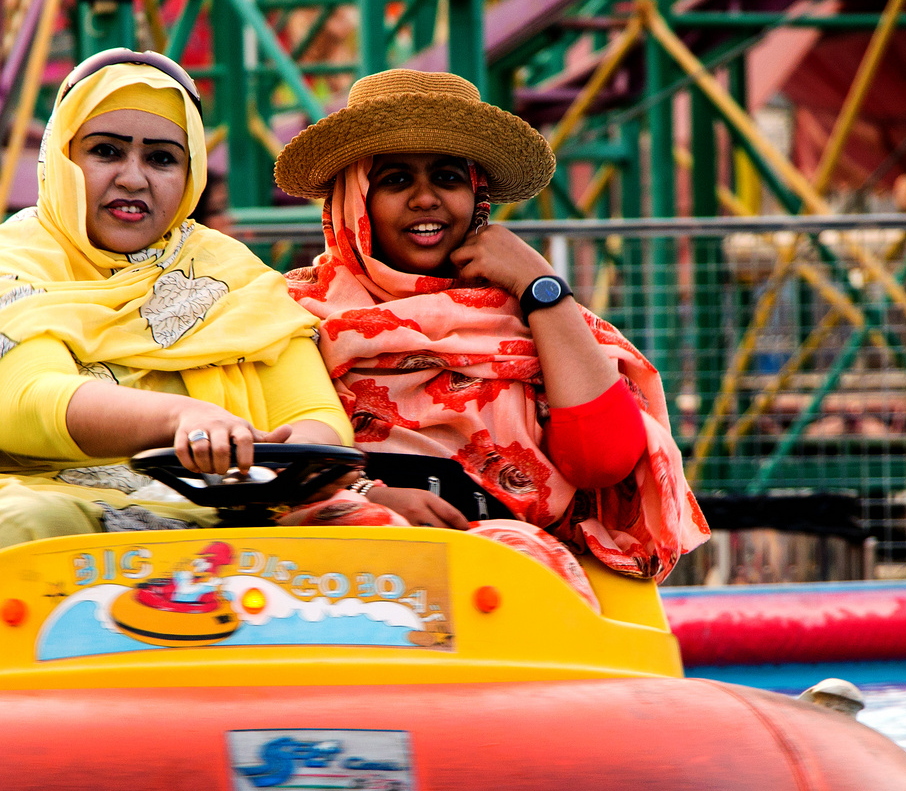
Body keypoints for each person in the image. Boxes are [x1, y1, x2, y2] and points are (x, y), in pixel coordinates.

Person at [0, 50, 377, 631]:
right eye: (106, 151)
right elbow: (21, 400)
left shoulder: (230, 276)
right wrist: (178, 418)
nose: (134, 177)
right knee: (16, 529)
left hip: (223, 521)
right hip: (44, 507)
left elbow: (314, 415)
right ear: (61, 158)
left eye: (162, 159)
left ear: (189, 178)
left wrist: (283, 452)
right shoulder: (1, 268)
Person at [273, 69, 709, 591]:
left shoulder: (535, 314)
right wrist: (369, 498)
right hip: (346, 585)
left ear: (476, 195)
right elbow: (265, 459)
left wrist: (540, 285)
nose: (426, 198)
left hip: (515, 587)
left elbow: (604, 460)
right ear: (354, 201)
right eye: (395, 180)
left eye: (447, 178)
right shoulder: (289, 314)